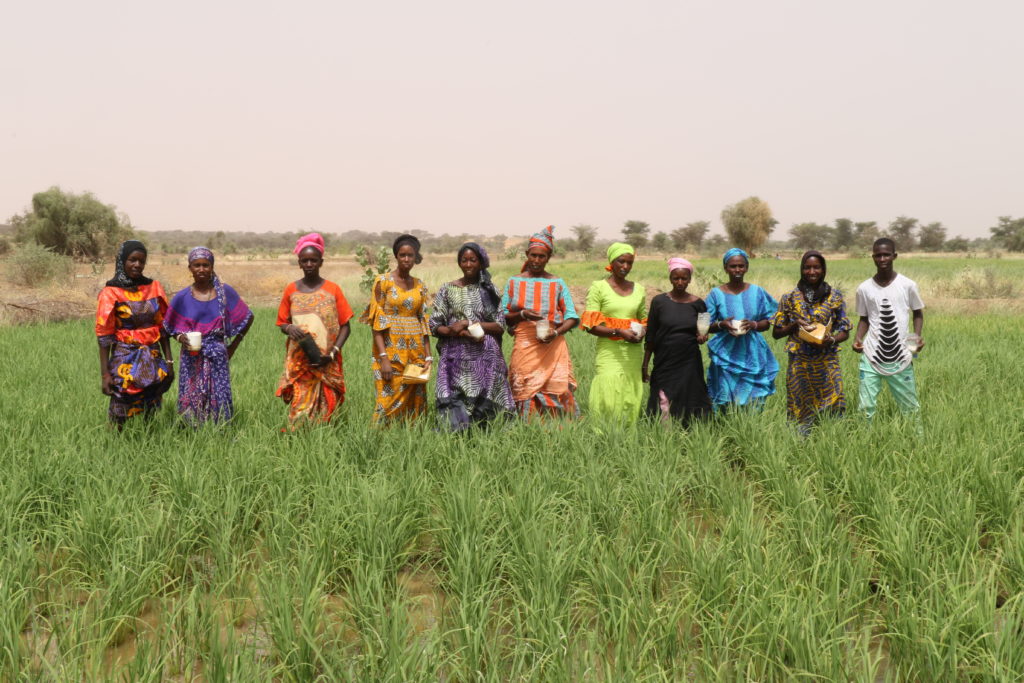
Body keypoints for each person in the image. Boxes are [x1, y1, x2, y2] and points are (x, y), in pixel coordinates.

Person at [163, 247, 253, 425]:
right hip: (191, 356)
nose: (201, 269)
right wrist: (181, 338)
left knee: (219, 394)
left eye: (206, 265)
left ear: (212, 267)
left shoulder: (224, 293)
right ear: (190, 268)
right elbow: (168, 327)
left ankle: (220, 430)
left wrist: (232, 347)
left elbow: (248, 317)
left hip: (218, 354)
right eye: (197, 265)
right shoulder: (181, 297)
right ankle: (191, 430)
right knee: (192, 393)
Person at [429, 242, 514, 430]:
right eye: (464, 260)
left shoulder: (489, 291)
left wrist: (468, 323)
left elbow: (500, 325)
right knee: (454, 398)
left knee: (485, 408)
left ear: (481, 263)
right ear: (459, 262)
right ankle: (457, 436)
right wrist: (452, 331)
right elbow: (435, 326)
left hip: (485, 356)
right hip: (454, 357)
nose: (468, 264)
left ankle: (486, 437)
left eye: (473, 260)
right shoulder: (446, 289)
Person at [500, 225, 580, 418]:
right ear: (527, 254)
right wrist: (522, 315)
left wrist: (555, 333)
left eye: (541, 256)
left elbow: (571, 316)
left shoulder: (557, 283)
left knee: (556, 387)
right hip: (525, 344)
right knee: (524, 385)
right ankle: (527, 430)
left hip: (553, 344)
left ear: (548, 257)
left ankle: (559, 432)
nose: (536, 260)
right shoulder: (514, 282)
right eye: (533, 255)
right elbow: (502, 314)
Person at [275, 233, 353, 426]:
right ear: (299, 263)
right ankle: (298, 442)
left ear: (321, 262)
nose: (309, 264)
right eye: (305, 260)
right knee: (300, 409)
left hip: (327, 360)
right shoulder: (291, 290)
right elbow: (282, 322)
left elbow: (346, 326)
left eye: (313, 260)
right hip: (301, 360)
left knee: (328, 410)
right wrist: (289, 328)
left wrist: (333, 353)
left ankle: (325, 442)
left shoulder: (333, 290)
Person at [771, 250, 851, 435]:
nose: (812, 271)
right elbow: (776, 333)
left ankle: (831, 442)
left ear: (823, 270)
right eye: (807, 267)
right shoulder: (789, 298)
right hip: (800, 362)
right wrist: (794, 326)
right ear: (801, 269)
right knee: (799, 405)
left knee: (833, 404)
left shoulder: (834, 297)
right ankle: (800, 447)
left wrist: (830, 339)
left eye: (816, 267)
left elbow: (845, 330)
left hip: (827, 361)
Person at [95, 240, 174, 425]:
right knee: (120, 409)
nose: (137, 265)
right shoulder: (110, 292)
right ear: (122, 261)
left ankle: (148, 442)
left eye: (141, 261)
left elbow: (163, 328)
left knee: (151, 403)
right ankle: (115, 447)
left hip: (153, 355)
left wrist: (169, 362)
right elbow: (104, 336)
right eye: (132, 260)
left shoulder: (154, 287)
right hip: (125, 357)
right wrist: (105, 375)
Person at [361, 234, 433, 425]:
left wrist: (428, 356)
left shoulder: (420, 286)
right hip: (390, 350)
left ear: (415, 257)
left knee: (415, 401)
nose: (406, 259)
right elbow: (377, 322)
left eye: (410, 255)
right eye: (402, 255)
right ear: (396, 256)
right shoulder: (383, 281)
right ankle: (377, 442)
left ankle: (411, 441)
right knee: (386, 401)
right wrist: (383, 358)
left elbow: (423, 321)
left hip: (415, 351)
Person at [851, 238, 924, 422]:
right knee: (865, 407)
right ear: (873, 257)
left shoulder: (908, 285)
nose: (882, 259)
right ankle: (864, 443)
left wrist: (916, 336)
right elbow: (864, 318)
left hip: (901, 356)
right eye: (878, 255)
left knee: (910, 408)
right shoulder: (864, 289)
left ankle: (918, 443)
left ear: (894, 256)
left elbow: (917, 313)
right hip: (871, 355)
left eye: (886, 255)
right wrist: (858, 338)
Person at [705, 248, 779, 410]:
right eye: (733, 266)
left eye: (741, 266)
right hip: (725, 354)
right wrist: (721, 325)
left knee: (753, 398)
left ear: (747, 267)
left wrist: (754, 325)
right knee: (725, 397)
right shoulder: (715, 294)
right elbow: (704, 326)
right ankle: (723, 428)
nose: (737, 270)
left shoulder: (758, 292)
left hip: (752, 353)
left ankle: (749, 430)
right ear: (725, 268)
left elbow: (770, 319)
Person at [641, 258, 712, 425]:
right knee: (663, 396)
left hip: (689, 360)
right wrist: (645, 365)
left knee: (689, 394)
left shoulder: (699, 304)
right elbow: (650, 335)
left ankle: (690, 429)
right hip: (664, 359)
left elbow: (703, 331)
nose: (680, 282)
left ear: (690, 279)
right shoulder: (659, 302)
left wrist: (703, 336)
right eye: (676, 278)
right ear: (670, 278)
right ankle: (663, 432)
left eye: (684, 278)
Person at [582, 242, 647, 422]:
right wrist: (618, 332)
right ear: (612, 261)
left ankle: (628, 435)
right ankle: (603, 433)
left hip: (632, 352)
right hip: (609, 350)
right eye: (621, 261)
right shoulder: (599, 287)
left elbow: (644, 320)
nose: (625, 266)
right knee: (608, 391)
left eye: (629, 262)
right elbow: (590, 325)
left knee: (629, 394)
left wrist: (642, 332)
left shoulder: (639, 289)